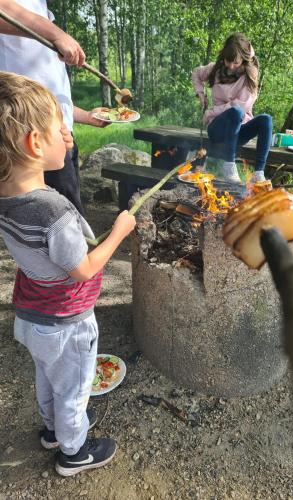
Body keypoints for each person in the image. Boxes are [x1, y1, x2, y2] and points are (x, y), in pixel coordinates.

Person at [0, 71, 136, 476]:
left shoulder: (8, 197)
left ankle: (51, 431)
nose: (68, 133)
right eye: (61, 128)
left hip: (32, 316)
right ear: (34, 143)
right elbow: (84, 269)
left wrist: (56, 144)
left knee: (47, 376)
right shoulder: (52, 211)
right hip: (66, 322)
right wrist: (119, 232)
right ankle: (74, 452)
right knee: (75, 388)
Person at [0, 0, 109, 215]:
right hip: (33, 143)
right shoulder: (29, 15)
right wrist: (56, 34)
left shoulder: (38, 8)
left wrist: (85, 115)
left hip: (59, 140)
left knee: (66, 223)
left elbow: (44, 94)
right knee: (62, 226)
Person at [192, 32, 273, 184]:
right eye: (227, 61)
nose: (230, 66)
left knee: (266, 120)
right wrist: (201, 95)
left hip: (238, 132)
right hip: (218, 129)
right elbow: (196, 73)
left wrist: (210, 111)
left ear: (244, 59)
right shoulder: (216, 69)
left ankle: (259, 173)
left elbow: (239, 106)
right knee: (235, 113)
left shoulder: (250, 77)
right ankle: (228, 165)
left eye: (235, 63)